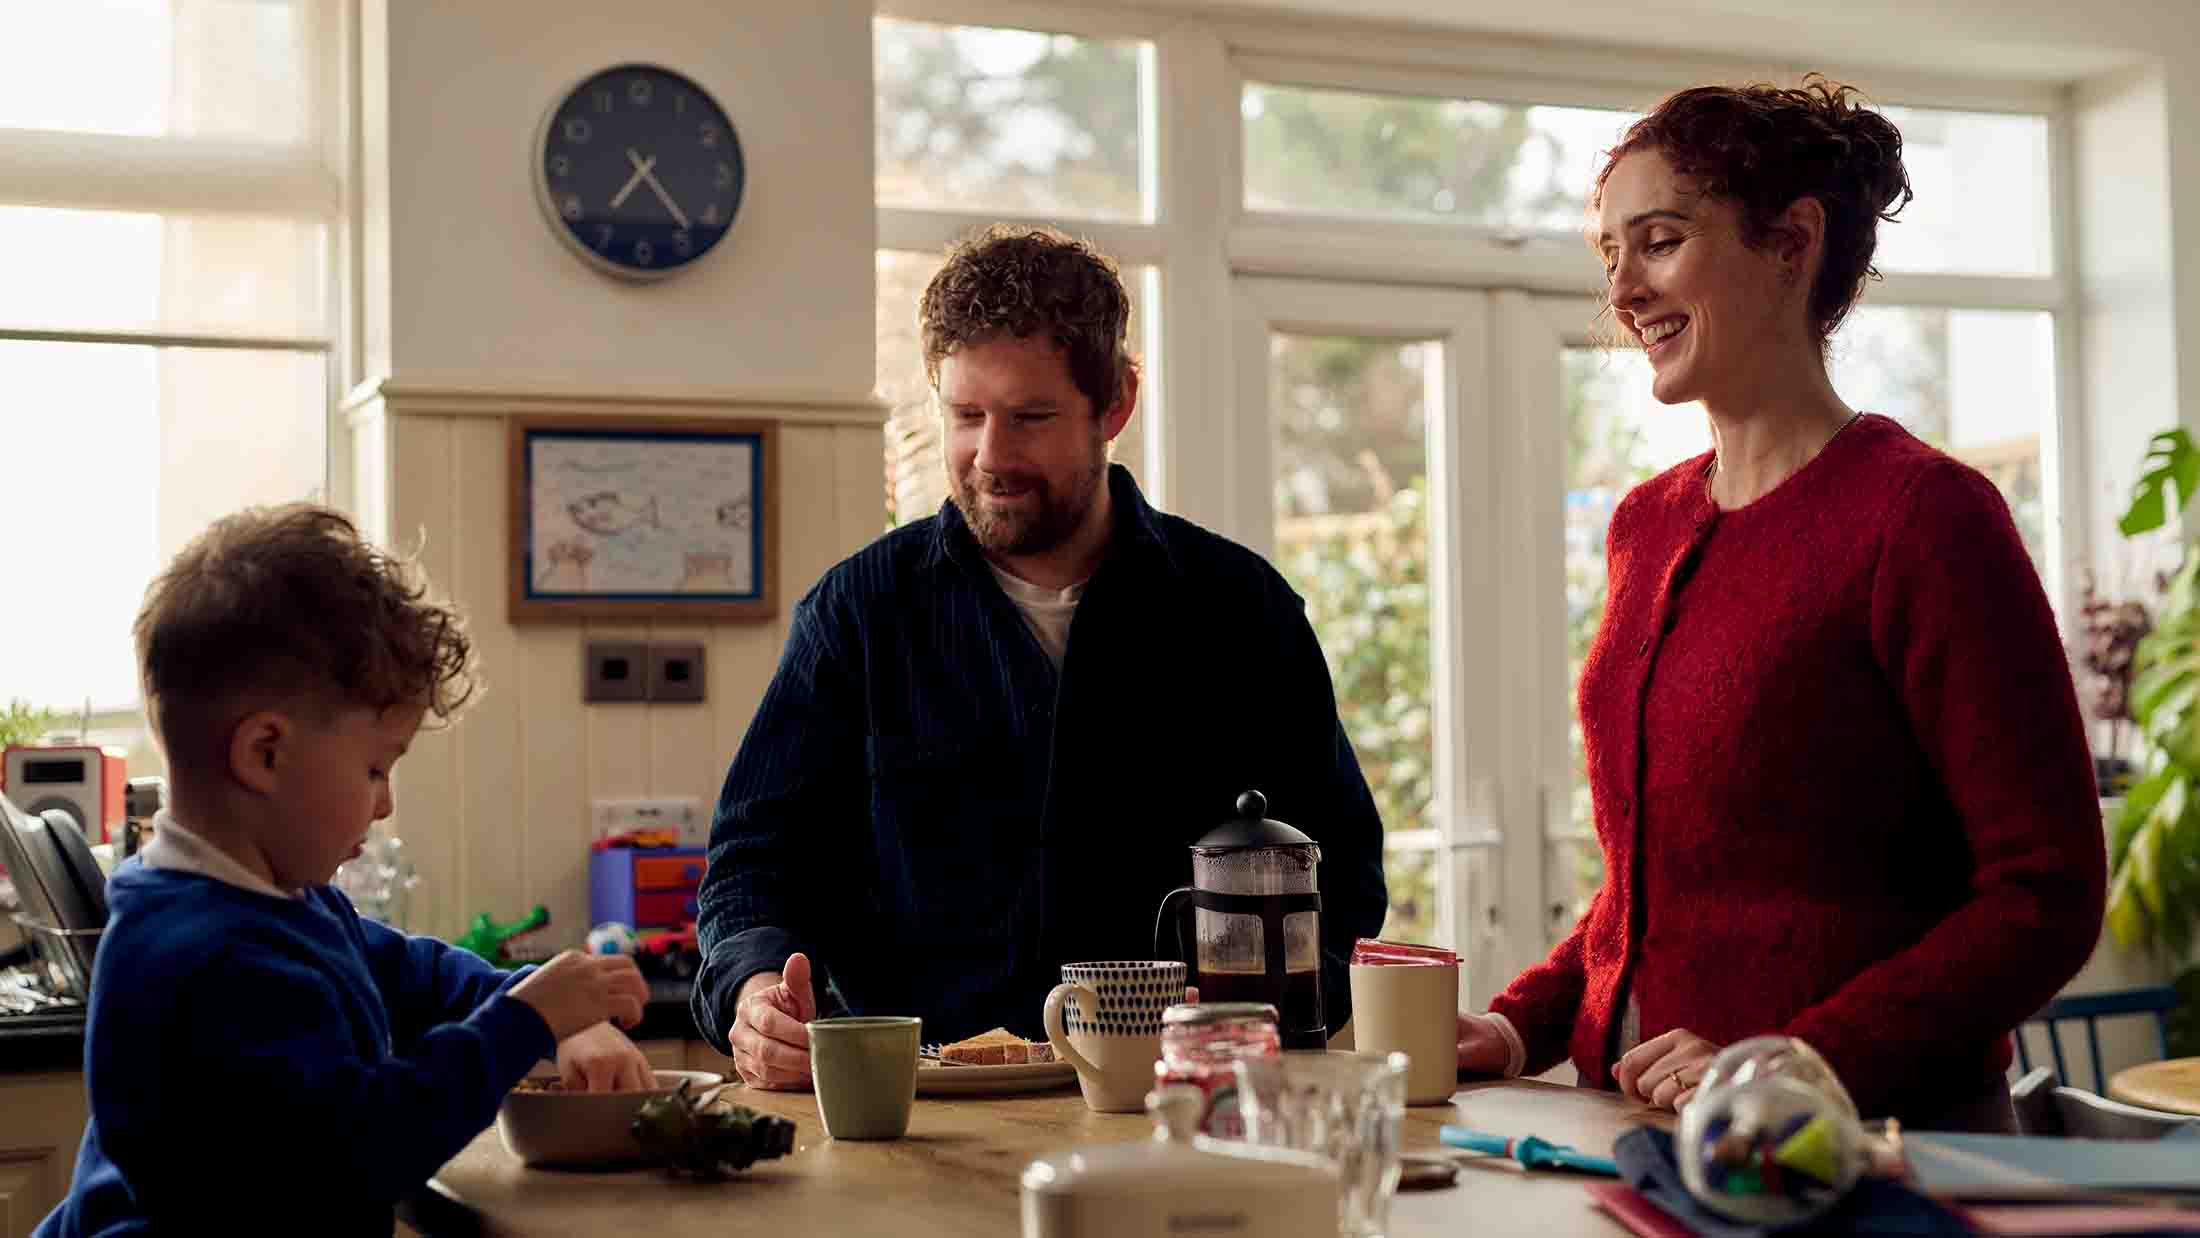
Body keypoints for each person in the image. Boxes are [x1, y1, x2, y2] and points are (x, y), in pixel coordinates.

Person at [1452, 77, 2104, 1131]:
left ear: (1791, 242)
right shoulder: (1644, 525)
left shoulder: (1922, 515)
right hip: (1626, 1132)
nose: (1622, 289)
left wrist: (1805, 1057)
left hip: (1858, 1146)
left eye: (1657, 240)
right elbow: (1654, 887)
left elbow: (2045, 890)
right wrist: (1521, 1021)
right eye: (1608, 255)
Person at [693, 225, 1389, 1089]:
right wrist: (753, 991)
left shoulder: (1241, 611)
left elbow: (1343, 872)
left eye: (1029, 418)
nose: (990, 457)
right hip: (918, 1123)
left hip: (1187, 1109)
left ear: (1117, 404)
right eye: (965, 416)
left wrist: (1260, 1030)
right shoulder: (858, 614)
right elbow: (753, 864)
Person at [37, 505, 653, 1237]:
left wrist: (546, 1007)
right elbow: (359, 1149)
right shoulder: (204, 956)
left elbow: (414, 973)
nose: (385, 803)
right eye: (373, 769)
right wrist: (527, 1021)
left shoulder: (283, 904)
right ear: (266, 752)